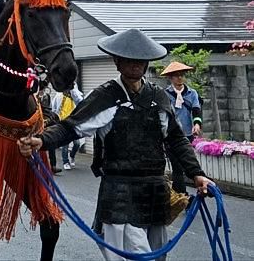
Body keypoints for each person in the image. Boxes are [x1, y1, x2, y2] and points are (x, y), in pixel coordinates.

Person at [18, 29, 214, 261]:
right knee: (137, 257)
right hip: (119, 193)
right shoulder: (105, 96)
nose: (134, 65)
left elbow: (176, 139)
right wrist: (42, 140)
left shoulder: (158, 97)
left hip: (155, 191)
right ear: (116, 61)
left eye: (139, 60)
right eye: (128, 60)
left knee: (158, 255)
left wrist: (197, 174)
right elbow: (71, 127)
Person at [161, 62, 203, 195]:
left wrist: (197, 124)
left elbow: (196, 110)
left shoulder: (192, 93)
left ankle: (184, 193)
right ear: (170, 78)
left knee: (188, 165)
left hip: (187, 134)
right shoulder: (165, 94)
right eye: (176, 76)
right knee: (177, 167)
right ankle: (183, 196)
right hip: (171, 136)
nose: (179, 78)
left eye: (181, 75)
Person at [53, 83, 84, 170]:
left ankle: (72, 156)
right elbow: (54, 108)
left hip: (74, 123)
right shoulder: (59, 96)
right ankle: (65, 162)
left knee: (77, 144)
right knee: (65, 144)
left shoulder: (76, 96)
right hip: (63, 123)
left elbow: (81, 104)